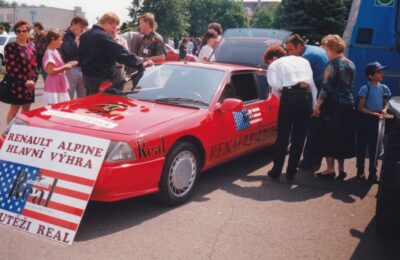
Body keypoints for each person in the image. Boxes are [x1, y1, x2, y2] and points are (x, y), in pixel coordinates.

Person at [265, 45, 317, 180]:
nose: (269, 65)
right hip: (306, 96)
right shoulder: (303, 61)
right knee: (299, 136)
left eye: (269, 61)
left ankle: (276, 171)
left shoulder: (275, 65)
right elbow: (312, 84)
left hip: (289, 95)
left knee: (283, 135)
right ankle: (291, 172)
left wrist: (286, 93)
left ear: (274, 58)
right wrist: (314, 106)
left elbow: (275, 85)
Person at [79, 12, 153, 95]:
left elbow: (80, 57)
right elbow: (120, 53)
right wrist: (139, 63)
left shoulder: (84, 36)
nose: (114, 29)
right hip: (101, 80)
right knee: (104, 104)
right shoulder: (103, 36)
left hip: (87, 78)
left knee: (90, 103)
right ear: (107, 23)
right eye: (113, 26)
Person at [314, 34, 356, 179]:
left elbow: (326, 87)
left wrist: (318, 105)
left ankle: (330, 169)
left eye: (326, 49)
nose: (325, 52)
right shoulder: (350, 63)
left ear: (331, 48)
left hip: (333, 106)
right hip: (348, 104)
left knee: (329, 136)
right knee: (342, 136)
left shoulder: (332, 63)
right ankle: (342, 169)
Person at [285, 34, 329, 171]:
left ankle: (308, 161)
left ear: (300, 46)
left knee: (311, 129)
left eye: (291, 49)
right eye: (287, 50)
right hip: (325, 94)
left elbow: (298, 81)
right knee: (318, 129)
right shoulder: (313, 49)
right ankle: (315, 160)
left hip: (319, 96)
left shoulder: (305, 58)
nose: (289, 53)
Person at [356, 62, 391, 182]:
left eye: (382, 71)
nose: (382, 73)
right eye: (378, 72)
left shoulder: (384, 88)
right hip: (366, 120)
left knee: (375, 148)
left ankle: (373, 173)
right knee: (362, 146)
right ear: (370, 76)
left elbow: (386, 103)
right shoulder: (365, 88)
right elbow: (360, 108)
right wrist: (373, 114)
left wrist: (384, 110)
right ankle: (360, 172)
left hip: (378, 120)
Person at [0, 20, 37, 124]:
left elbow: (34, 66)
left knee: (26, 110)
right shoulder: (10, 47)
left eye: (24, 30)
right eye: (18, 31)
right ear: (15, 32)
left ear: (28, 32)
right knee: (14, 109)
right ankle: (9, 133)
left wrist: (33, 81)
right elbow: (12, 68)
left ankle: (22, 132)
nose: (21, 33)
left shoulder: (31, 47)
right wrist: (25, 81)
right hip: (17, 83)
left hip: (30, 85)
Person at [43, 29, 77, 105]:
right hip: (54, 84)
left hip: (58, 82)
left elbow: (57, 66)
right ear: (52, 40)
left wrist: (67, 64)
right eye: (60, 40)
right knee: (54, 108)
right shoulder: (49, 53)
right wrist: (65, 67)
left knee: (61, 107)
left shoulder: (54, 51)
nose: (62, 42)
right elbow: (50, 71)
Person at [59, 16, 88, 100]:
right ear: (73, 24)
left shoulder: (82, 36)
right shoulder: (63, 35)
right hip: (69, 69)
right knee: (68, 98)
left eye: (84, 28)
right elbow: (67, 52)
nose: (83, 30)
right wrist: (77, 43)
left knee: (83, 98)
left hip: (82, 69)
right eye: (81, 27)